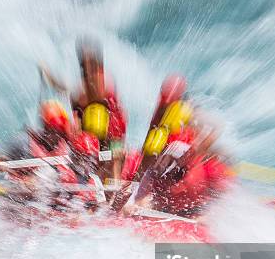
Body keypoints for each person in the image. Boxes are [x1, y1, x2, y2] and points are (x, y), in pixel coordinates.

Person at [40, 37, 128, 181]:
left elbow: (118, 128)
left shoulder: (107, 90)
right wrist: (76, 138)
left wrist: (115, 154)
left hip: (110, 137)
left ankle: (107, 183)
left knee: (113, 151)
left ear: (100, 67)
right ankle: (80, 180)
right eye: (84, 70)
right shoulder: (79, 94)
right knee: (78, 139)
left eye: (92, 69)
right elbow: (76, 119)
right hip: (88, 141)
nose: (88, 74)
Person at [121, 123, 233, 219]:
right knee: (142, 203)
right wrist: (135, 201)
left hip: (191, 208)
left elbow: (216, 197)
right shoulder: (175, 153)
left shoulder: (209, 171)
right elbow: (150, 174)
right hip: (166, 203)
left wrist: (204, 215)